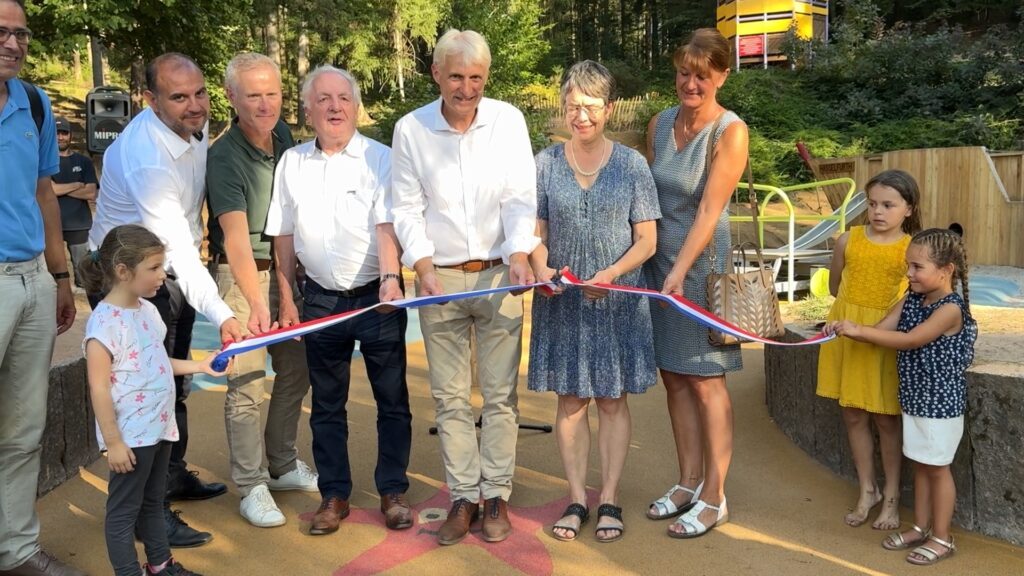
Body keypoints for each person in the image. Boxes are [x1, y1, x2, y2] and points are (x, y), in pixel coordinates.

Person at [391, 29, 539, 546]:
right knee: (450, 397)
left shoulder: (509, 121)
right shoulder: (410, 130)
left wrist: (519, 253)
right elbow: (405, 207)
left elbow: (522, 196)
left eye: (476, 77)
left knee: (500, 396)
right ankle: (463, 496)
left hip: (502, 273)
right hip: (440, 280)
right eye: (456, 76)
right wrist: (423, 266)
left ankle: (495, 494)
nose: (467, 88)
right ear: (436, 74)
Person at [89, 52, 243, 548]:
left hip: (167, 271)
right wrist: (224, 313)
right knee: (139, 394)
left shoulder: (194, 129)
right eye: (179, 97)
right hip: (126, 277)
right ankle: (146, 514)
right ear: (149, 100)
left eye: (200, 93)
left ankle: (171, 477)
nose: (195, 106)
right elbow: (177, 247)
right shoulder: (146, 159)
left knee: (174, 383)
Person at [266, 65, 412, 536]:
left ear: (355, 106)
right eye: (323, 99)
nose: (334, 107)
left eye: (343, 98)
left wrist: (392, 278)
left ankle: (392, 490)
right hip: (320, 304)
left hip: (376, 300)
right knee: (327, 405)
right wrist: (287, 299)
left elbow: (387, 224)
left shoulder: (381, 157)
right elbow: (283, 237)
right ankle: (334, 495)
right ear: (307, 109)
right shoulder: (291, 162)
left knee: (393, 400)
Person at [527, 60, 660, 543]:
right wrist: (542, 266)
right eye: (572, 105)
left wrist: (612, 274)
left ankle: (610, 498)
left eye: (590, 105)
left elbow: (647, 239)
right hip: (563, 299)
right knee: (570, 400)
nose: (580, 115)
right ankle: (577, 499)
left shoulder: (632, 165)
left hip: (616, 300)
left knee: (611, 399)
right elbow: (534, 232)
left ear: (608, 108)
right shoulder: (543, 163)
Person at [641, 28, 749, 538]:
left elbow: (709, 211)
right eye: (683, 73)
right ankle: (686, 482)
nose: (690, 83)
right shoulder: (660, 123)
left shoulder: (730, 131)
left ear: (722, 76)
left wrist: (681, 272)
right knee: (675, 377)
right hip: (659, 266)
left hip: (701, 270)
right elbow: (646, 198)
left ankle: (715, 494)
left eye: (701, 76)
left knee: (707, 381)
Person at [206, 52, 316, 529]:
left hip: (286, 271)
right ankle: (251, 484)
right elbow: (234, 240)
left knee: (297, 369)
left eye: (272, 93)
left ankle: (282, 463)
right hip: (241, 274)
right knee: (247, 384)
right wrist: (256, 304)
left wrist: (287, 293)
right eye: (254, 95)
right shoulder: (224, 156)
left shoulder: (285, 136)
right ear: (232, 97)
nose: (266, 103)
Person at [81, 225, 228, 576]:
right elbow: (98, 388)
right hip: (131, 437)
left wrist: (200, 364)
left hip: (160, 426)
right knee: (123, 512)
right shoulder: (103, 324)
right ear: (122, 271)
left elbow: (156, 361)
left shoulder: (148, 311)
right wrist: (113, 442)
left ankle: (161, 566)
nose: (163, 275)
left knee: (152, 501)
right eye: (154, 268)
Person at [828, 228, 977, 566]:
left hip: (939, 406)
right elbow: (883, 329)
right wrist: (844, 326)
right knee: (921, 467)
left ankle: (942, 536)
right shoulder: (913, 297)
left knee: (937, 469)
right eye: (908, 266)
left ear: (947, 269)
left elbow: (911, 339)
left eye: (917, 267)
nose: (909, 274)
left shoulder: (950, 309)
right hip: (914, 400)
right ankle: (920, 526)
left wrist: (860, 331)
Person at [0, 1, 81, 574]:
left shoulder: (33, 101)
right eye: (0, 32)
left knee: (24, 429)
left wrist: (60, 276)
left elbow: (45, 193)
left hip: (31, 279)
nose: (12, 42)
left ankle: (17, 549)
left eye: (20, 34)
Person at [816, 170, 922, 530]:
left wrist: (876, 326)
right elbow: (834, 287)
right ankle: (868, 490)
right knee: (853, 415)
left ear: (908, 208)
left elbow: (916, 299)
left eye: (889, 205)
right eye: (873, 203)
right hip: (846, 332)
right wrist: (846, 316)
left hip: (882, 338)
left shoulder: (912, 248)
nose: (878, 211)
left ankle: (891, 497)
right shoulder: (849, 239)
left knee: (886, 419)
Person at [51, 115, 98, 289]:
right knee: (53, 276)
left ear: (70, 135)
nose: (60, 137)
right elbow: (49, 191)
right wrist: (77, 185)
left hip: (79, 224)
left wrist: (60, 188)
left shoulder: (83, 162)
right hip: (50, 224)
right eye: (56, 133)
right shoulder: (44, 161)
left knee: (85, 275)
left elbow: (91, 193)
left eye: (64, 133)